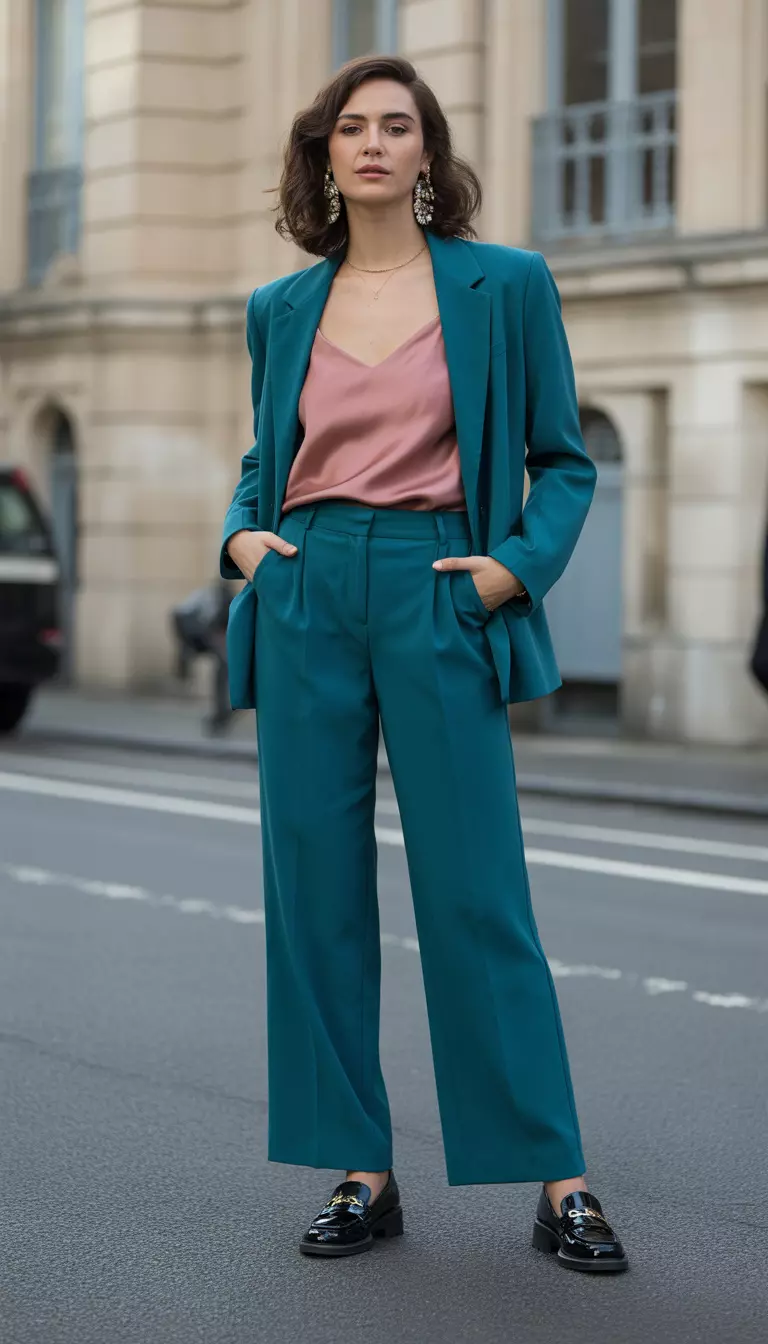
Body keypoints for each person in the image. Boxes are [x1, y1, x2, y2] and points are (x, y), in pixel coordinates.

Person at [219, 54, 628, 1273]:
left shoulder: (504, 287)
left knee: (476, 891)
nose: (376, 144)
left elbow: (563, 460)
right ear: (325, 156)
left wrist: (513, 568)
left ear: (430, 155)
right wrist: (245, 537)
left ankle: (559, 1179)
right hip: (306, 587)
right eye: (354, 127)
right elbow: (269, 451)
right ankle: (361, 1170)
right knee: (315, 894)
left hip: (443, 586)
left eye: (400, 126)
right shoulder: (282, 307)